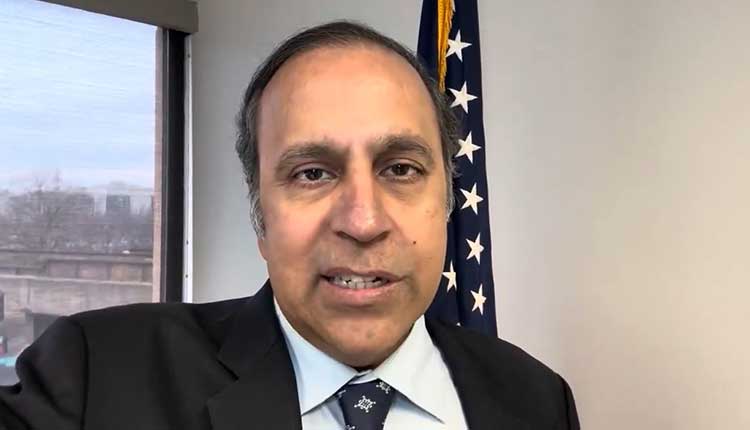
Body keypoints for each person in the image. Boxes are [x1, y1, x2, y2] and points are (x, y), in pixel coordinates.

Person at [0, 21, 579, 430]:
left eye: (401, 169)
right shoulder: (97, 375)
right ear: (261, 215)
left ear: (447, 200)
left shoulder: (536, 400)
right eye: (312, 173)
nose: (363, 221)